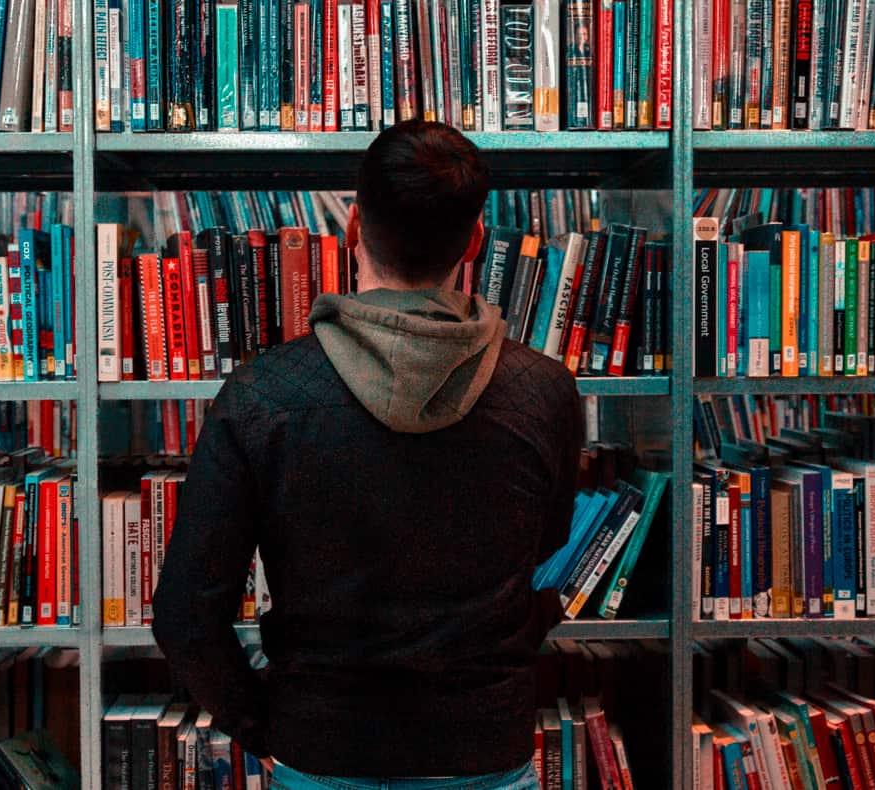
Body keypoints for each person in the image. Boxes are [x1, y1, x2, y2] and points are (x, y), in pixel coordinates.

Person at [152, 120, 584, 790]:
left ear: (352, 227)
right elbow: (544, 543)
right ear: (473, 241)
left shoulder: (262, 395)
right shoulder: (544, 392)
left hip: (323, 745)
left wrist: (265, 723)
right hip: (483, 747)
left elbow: (186, 612)